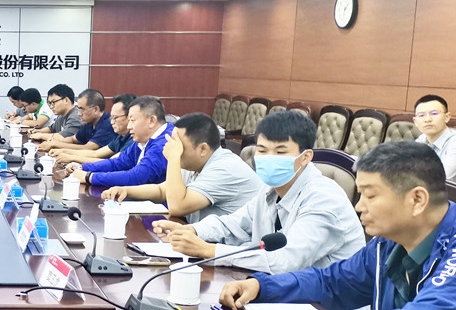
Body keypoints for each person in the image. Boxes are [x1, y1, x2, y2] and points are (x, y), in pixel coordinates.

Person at [219, 141, 456, 310]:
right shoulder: (387, 244)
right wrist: (262, 286)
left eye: (370, 196)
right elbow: (331, 283)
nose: (359, 206)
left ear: (417, 199)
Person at [155, 110, 365, 274]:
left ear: (305, 157)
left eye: (280, 152)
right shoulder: (270, 189)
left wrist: (210, 251)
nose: (268, 158)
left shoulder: (324, 198)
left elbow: (286, 261)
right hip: (282, 293)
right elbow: (233, 224)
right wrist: (193, 231)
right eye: (262, 150)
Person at [102, 112, 263, 223]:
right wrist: (126, 190)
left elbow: (177, 206)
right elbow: (162, 191)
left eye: (178, 145)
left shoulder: (224, 168)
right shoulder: (195, 163)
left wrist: (173, 158)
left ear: (203, 149)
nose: (172, 147)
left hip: (237, 251)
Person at [68, 96, 172, 187]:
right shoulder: (143, 140)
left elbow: (137, 177)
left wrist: (89, 177)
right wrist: (82, 167)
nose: (129, 126)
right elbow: (118, 163)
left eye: (132, 120)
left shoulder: (165, 142)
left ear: (152, 120)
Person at [51, 94, 133, 164]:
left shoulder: (133, 140)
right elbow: (95, 154)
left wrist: (72, 158)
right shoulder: (120, 137)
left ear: (130, 117)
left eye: (115, 117)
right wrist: (63, 151)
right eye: (112, 117)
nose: (112, 122)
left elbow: (112, 163)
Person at [39, 89, 113, 153]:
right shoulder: (89, 123)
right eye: (78, 109)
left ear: (96, 109)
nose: (79, 114)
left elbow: (88, 148)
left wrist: (55, 145)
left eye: (82, 109)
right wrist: (53, 141)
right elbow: (73, 139)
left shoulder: (108, 124)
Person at [413, 94, 456, 180]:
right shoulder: (421, 139)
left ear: (447, 117)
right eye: (421, 115)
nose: (427, 119)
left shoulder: (454, 142)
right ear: (415, 122)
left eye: (434, 113)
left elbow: (441, 176)